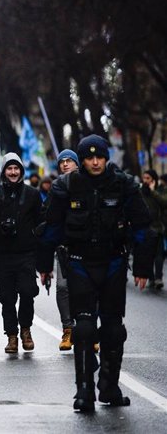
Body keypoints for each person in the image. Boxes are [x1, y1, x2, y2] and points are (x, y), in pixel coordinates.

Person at [37, 134, 155, 412]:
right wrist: (44, 267)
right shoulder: (65, 187)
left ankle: (109, 388)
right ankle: (84, 390)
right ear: (82, 159)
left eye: (99, 156)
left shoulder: (123, 184)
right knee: (84, 329)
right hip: (79, 263)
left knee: (114, 330)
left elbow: (143, 228)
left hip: (113, 263)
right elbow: (50, 229)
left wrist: (142, 268)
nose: (95, 162)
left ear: (106, 157)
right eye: (89, 157)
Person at [0, 154, 42, 353]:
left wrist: (37, 245)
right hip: (3, 256)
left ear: (21, 171)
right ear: (3, 171)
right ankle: (11, 336)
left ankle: (26, 330)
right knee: (7, 298)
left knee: (28, 293)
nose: (13, 172)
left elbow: (40, 222)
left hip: (26, 254)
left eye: (16, 168)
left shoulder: (32, 194)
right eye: (9, 169)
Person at [54, 149, 79, 351]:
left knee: (88, 288)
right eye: (62, 161)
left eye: (69, 160)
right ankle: (67, 329)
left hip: (87, 246)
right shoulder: (56, 188)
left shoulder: (88, 185)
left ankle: (90, 331)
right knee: (63, 288)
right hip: (63, 248)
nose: (65, 164)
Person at [140, 169, 167, 290]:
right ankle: (150, 277)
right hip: (145, 229)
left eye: (148, 178)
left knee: (159, 255)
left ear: (153, 180)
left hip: (158, 228)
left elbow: (164, 203)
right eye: (144, 178)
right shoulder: (140, 192)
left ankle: (158, 278)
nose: (145, 181)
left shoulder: (159, 191)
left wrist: (153, 191)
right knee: (148, 255)